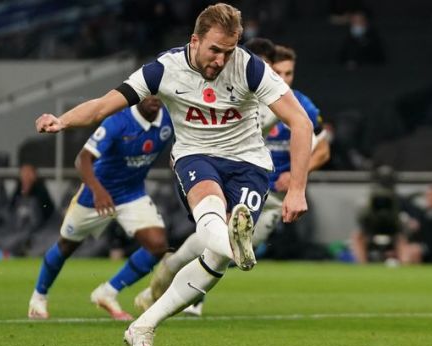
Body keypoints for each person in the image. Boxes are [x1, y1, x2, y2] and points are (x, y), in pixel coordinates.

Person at [35, 3, 312, 346]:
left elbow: (301, 122)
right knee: (209, 207)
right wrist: (62, 120)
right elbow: (105, 105)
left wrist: (298, 190)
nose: (221, 59)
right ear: (194, 41)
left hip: (249, 163)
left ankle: (143, 325)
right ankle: (235, 243)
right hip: (196, 155)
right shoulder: (164, 70)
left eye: (229, 51)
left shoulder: (251, 68)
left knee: (215, 261)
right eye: (214, 49)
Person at [135, 42, 331, 317]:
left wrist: (297, 179)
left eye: (289, 74)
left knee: (235, 247)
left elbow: (321, 146)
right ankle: (185, 292)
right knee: (224, 239)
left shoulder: (290, 102)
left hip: (272, 193)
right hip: (230, 177)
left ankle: (170, 272)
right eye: (279, 72)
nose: (283, 79)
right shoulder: (230, 91)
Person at [28, 96, 174, 321]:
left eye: (159, 93)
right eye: (149, 93)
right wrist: (98, 190)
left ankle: (107, 292)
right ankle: (38, 297)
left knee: (157, 246)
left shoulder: (169, 120)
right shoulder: (118, 122)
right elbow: (82, 159)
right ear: (139, 93)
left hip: (132, 194)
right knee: (67, 245)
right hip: (95, 194)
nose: (154, 98)